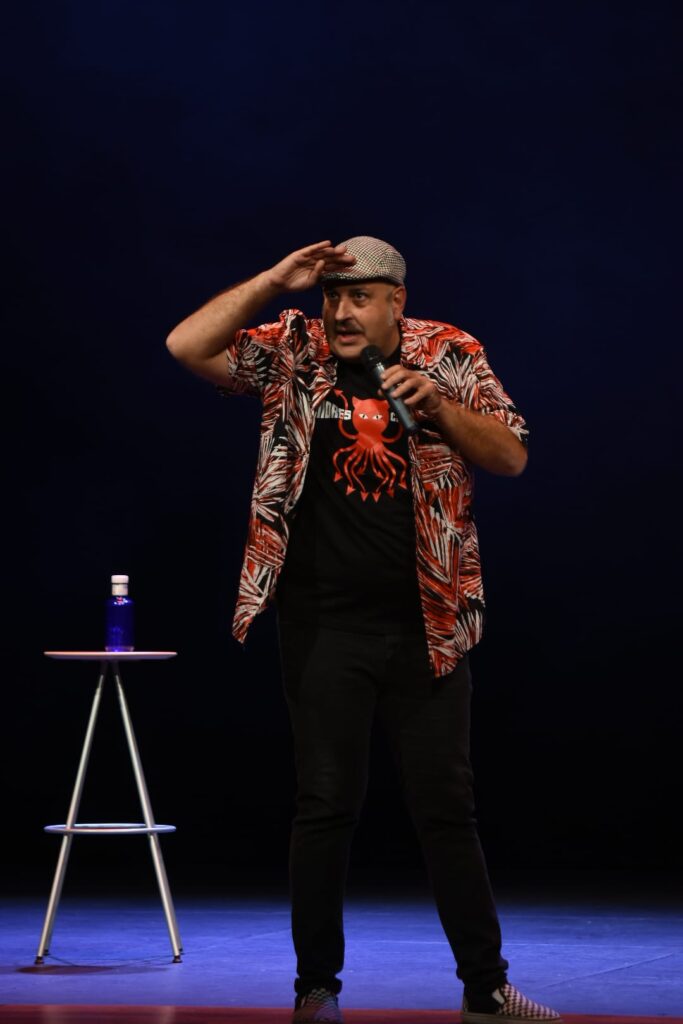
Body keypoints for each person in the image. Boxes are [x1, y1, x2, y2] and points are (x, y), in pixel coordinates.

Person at [166, 237, 563, 1024]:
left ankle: (485, 990)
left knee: (446, 808)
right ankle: (315, 990)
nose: (340, 313)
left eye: (358, 298)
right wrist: (274, 280)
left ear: (395, 301)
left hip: (429, 622)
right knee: (324, 805)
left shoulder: (449, 352)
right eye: (331, 297)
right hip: (323, 624)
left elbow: (511, 456)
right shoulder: (294, 349)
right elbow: (187, 346)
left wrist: (439, 406)